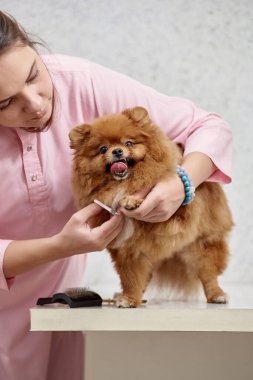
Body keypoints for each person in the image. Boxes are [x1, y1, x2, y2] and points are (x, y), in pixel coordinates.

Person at [0, 10, 232, 380]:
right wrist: (62, 246)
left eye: (33, 75)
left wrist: (181, 185)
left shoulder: (81, 82)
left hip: (57, 308)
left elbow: (207, 126)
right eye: (5, 103)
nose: (37, 104)